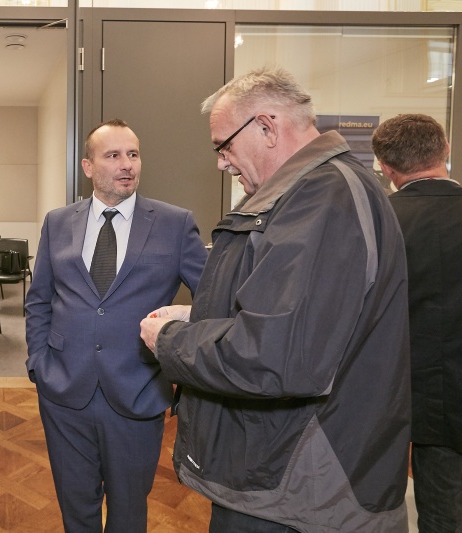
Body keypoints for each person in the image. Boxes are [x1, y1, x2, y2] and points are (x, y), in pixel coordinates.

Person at [139, 67, 411, 532]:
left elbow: (276, 355)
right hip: (288, 480)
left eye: (223, 145)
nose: (221, 162)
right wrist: (200, 313)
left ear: (266, 127)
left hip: (300, 489)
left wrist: (170, 339)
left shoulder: (322, 198)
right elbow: (292, 313)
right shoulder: (313, 192)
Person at [25, 118, 208, 532]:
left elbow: (212, 300)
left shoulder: (174, 223)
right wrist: (39, 362)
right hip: (63, 392)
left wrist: (179, 356)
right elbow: (39, 298)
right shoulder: (58, 222)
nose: (127, 164)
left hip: (137, 392)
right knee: (76, 510)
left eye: (133, 154)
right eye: (113, 156)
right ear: (88, 167)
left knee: (128, 514)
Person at [372, 113, 462, 533]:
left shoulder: (379, 223)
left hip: (416, 402)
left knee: (441, 516)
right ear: (445, 150)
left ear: (387, 169)